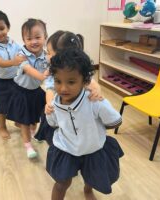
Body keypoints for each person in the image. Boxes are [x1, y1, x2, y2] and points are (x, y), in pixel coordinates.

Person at [46, 48, 124, 200]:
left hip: (92, 149)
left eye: (71, 82)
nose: (63, 88)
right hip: (66, 149)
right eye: (58, 81)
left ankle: (88, 190)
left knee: (91, 178)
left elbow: (116, 120)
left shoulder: (94, 101)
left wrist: (96, 128)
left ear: (85, 81)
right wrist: (48, 111)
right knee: (61, 183)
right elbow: (54, 124)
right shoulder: (54, 104)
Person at [34, 30, 103, 145]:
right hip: (59, 113)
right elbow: (50, 90)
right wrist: (50, 105)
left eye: (49, 53)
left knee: (76, 137)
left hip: (77, 113)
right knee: (58, 140)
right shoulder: (54, 72)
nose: (47, 56)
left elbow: (93, 83)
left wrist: (96, 92)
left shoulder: (79, 72)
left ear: (62, 55)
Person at [6, 18, 49, 158]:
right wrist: (49, 72)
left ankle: (31, 132)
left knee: (35, 117)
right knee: (25, 120)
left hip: (36, 92)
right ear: (23, 40)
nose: (34, 41)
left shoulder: (46, 55)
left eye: (38, 37)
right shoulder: (21, 56)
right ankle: (28, 145)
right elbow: (39, 76)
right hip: (21, 92)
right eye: (29, 38)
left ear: (45, 37)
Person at [0, 10, 26, 139]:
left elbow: (24, 52)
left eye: (1, 28)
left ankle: (18, 121)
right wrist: (14, 62)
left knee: (18, 103)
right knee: (2, 107)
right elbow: (0, 63)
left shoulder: (14, 43)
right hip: (0, 82)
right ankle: (2, 127)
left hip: (17, 80)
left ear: (8, 27)